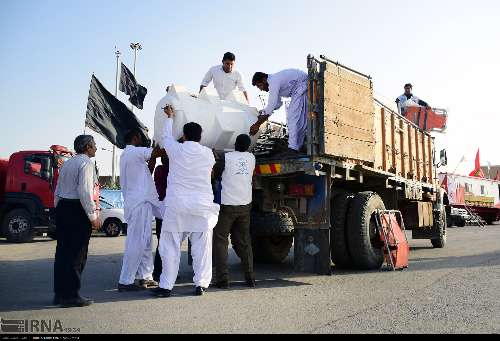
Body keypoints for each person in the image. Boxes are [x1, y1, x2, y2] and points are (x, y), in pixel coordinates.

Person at [152, 105, 220, 298]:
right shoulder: (208, 154)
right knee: (202, 248)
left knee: (169, 246)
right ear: (201, 136)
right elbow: (211, 171)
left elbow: (165, 138)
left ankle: (166, 286)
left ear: (184, 135)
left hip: (177, 206)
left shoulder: (176, 150)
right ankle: (200, 284)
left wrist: (170, 117)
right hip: (201, 207)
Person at [53, 135, 102, 308]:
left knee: (62, 253)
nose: (96, 148)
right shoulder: (87, 163)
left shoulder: (67, 163)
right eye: (94, 145)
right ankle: (71, 295)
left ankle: (60, 293)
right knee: (77, 254)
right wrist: (93, 217)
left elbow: (57, 189)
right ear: (88, 147)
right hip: (76, 209)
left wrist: (58, 208)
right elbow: (85, 192)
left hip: (63, 208)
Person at [118, 130, 164, 292]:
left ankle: (145, 276)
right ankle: (125, 280)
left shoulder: (129, 156)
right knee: (136, 243)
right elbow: (158, 152)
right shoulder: (134, 152)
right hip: (139, 204)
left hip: (140, 203)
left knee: (145, 242)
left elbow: (149, 168)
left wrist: (155, 151)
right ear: (135, 138)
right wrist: (168, 142)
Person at [213, 134, 256, 289]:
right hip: (245, 204)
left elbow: (216, 174)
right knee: (245, 241)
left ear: (235, 143)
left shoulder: (226, 157)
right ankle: (250, 278)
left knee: (221, 240)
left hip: (227, 205)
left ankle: (223, 279)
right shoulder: (252, 158)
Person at [250, 69, 308, 157]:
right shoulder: (274, 81)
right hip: (303, 86)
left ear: (264, 80)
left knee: (292, 117)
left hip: (302, 85)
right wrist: (263, 112)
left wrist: (257, 124)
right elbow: (277, 104)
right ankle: (297, 147)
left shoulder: (273, 82)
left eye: (260, 85)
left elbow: (271, 107)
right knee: (300, 120)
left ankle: (293, 148)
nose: (261, 89)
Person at [152, 155, 169, 282]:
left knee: (162, 243)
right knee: (166, 244)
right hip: (167, 210)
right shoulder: (167, 170)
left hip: (160, 212)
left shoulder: (158, 169)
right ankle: (159, 272)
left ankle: (162, 271)